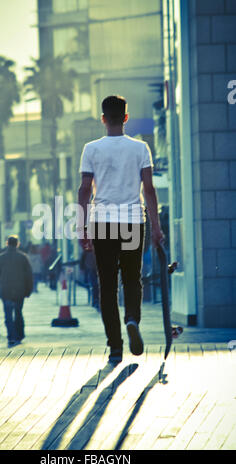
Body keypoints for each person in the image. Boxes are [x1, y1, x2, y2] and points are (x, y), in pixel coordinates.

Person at [78, 95, 164, 364]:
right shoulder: (140, 148)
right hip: (133, 221)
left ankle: (115, 346)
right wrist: (157, 228)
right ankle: (132, 320)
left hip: (102, 222)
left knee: (107, 285)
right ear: (126, 117)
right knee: (132, 278)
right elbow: (148, 190)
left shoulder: (91, 149)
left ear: (103, 119)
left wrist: (83, 229)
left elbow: (84, 191)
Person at [0, 236, 33, 348]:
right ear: (18, 244)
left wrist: (0, 284)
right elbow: (29, 276)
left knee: (8, 315)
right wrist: (28, 290)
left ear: (7, 243)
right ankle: (19, 335)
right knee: (18, 313)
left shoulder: (1, 257)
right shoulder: (23, 257)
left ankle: (11, 336)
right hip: (20, 290)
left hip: (5, 290)